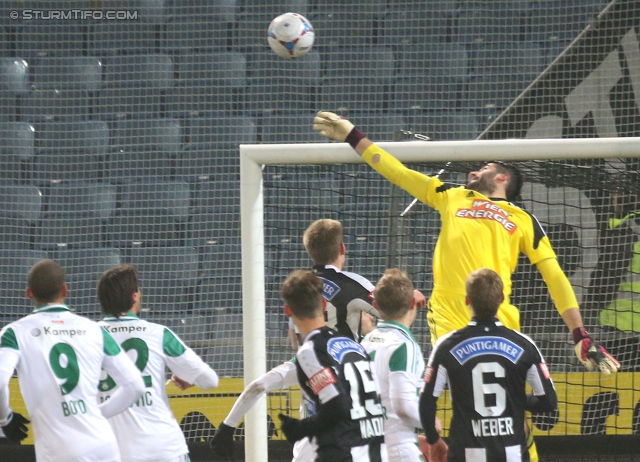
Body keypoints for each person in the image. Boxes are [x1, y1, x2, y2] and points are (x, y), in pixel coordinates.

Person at [312, 111, 618, 374]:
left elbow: (556, 277)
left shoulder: (523, 219)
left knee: (511, 412)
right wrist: (354, 136)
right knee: (465, 404)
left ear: (503, 179)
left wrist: (580, 334)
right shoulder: (453, 195)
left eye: (484, 168)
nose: (473, 171)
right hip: (449, 315)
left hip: (500, 317)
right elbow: (399, 172)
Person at [210, 219, 422, 461]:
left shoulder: (301, 288)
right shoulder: (353, 285)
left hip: (315, 373)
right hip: (354, 368)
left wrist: (228, 427)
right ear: (342, 248)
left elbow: (272, 368)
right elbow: (390, 309)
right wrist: (409, 296)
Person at [0, 259, 145, 461]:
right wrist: (97, 414)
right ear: (65, 290)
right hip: (104, 445)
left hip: (61, 451)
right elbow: (136, 386)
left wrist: (5, 419)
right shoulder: (95, 330)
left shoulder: (14, 333)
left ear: (29, 293)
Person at [419, 268, 558, 462]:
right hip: (512, 454)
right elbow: (549, 403)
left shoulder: (447, 346)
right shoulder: (524, 345)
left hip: (465, 454)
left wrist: (434, 441)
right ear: (501, 298)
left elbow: (426, 402)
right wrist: (515, 398)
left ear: (467, 300)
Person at [96, 264, 220, 462]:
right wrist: (191, 379)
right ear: (134, 296)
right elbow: (210, 380)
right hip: (164, 450)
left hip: (113, 452)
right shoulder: (158, 334)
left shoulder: (87, 338)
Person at [278, 270, 387, 461]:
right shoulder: (352, 345)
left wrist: (300, 428)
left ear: (288, 311)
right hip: (377, 449)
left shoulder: (310, 352)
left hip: (345, 451)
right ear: (322, 304)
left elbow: (337, 406)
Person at [361, 269, 425, 462]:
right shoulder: (404, 346)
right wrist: (431, 422)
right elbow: (403, 406)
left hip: (368, 446)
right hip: (399, 448)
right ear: (412, 303)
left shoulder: (364, 343)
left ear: (375, 305)